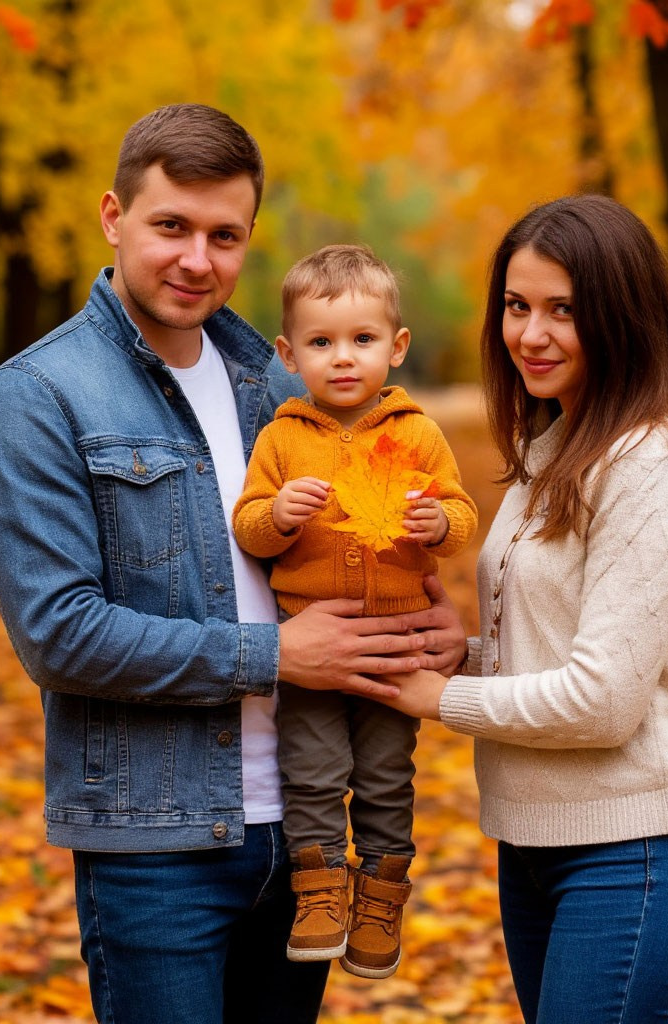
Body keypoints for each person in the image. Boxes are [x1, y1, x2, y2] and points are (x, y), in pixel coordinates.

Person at [0, 104, 463, 1024]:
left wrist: (436, 624)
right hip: (159, 845)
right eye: (172, 227)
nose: (199, 259)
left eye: (224, 235)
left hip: (309, 833)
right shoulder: (37, 397)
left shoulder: (281, 385)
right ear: (114, 216)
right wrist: (276, 655)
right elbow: (58, 635)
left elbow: (367, 542)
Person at [379, 194, 668, 1023]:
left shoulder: (653, 459)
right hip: (537, 843)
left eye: (564, 311)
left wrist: (439, 699)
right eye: (517, 306)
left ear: (624, 318)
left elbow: (606, 699)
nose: (530, 334)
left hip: (633, 852)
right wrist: (463, 655)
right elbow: (567, 643)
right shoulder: (557, 445)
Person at [232, 244, 478, 979]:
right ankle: (318, 892)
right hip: (310, 648)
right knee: (310, 771)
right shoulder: (281, 439)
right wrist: (276, 514)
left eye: (362, 340)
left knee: (382, 773)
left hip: (395, 649)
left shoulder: (417, 433)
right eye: (321, 342)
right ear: (288, 353)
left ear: (396, 347)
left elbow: (460, 511)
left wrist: (440, 526)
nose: (343, 359)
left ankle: (379, 894)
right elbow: (247, 524)